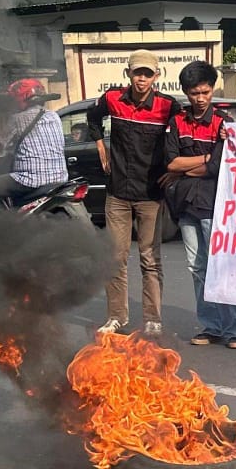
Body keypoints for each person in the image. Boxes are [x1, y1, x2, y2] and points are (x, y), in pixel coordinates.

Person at [88, 50, 180, 336]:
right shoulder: (113, 98)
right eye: (137, 73)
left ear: (157, 76)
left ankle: (153, 318)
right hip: (118, 192)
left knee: (149, 259)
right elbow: (92, 117)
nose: (142, 79)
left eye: (147, 74)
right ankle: (117, 316)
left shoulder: (168, 106)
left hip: (151, 194)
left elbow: (184, 136)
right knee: (115, 258)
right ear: (128, 74)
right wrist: (100, 144)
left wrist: (175, 170)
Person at [161, 61, 236, 349]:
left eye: (205, 92)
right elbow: (171, 162)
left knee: (221, 266)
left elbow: (218, 167)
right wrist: (206, 159)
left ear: (212, 90)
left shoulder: (224, 123)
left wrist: (191, 166)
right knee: (197, 268)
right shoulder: (177, 122)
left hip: (215, 206)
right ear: (186, 93)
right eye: (194, 93)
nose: (200, 98)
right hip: (186, 206)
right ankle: (211, 326)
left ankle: (234, 329)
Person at [0, 78, 67, 205]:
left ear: (19, 99)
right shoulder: (54, 116)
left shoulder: (17, 119)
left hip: (30, 179)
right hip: (59, 178)